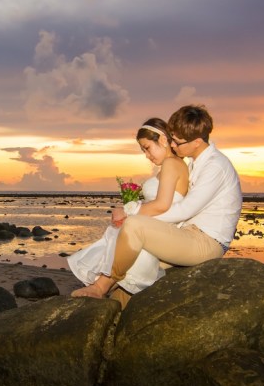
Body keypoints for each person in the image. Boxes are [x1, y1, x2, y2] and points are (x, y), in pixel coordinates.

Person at [76, 104, 242, 298]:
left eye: (177, 142)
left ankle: (100, 288)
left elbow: (185, 209)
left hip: (207, 242)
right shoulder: (194, 163)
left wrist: (132, 212)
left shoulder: (215, 166)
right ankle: (110, 305)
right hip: (188, 234)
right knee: (135, 261)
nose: (173, 145)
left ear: (197, 141)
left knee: (135, 226)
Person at [69, 118, 189, 297]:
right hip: (159, 223)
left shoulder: (171, 163)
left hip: (161, 225)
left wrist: (127, 211)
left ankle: (100, 287)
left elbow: (162, 205)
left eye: (147, 148)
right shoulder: (174, 165)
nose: (147, 155)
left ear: (163, 139)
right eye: (143, 151)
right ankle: (102, 288)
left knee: (124, 237)